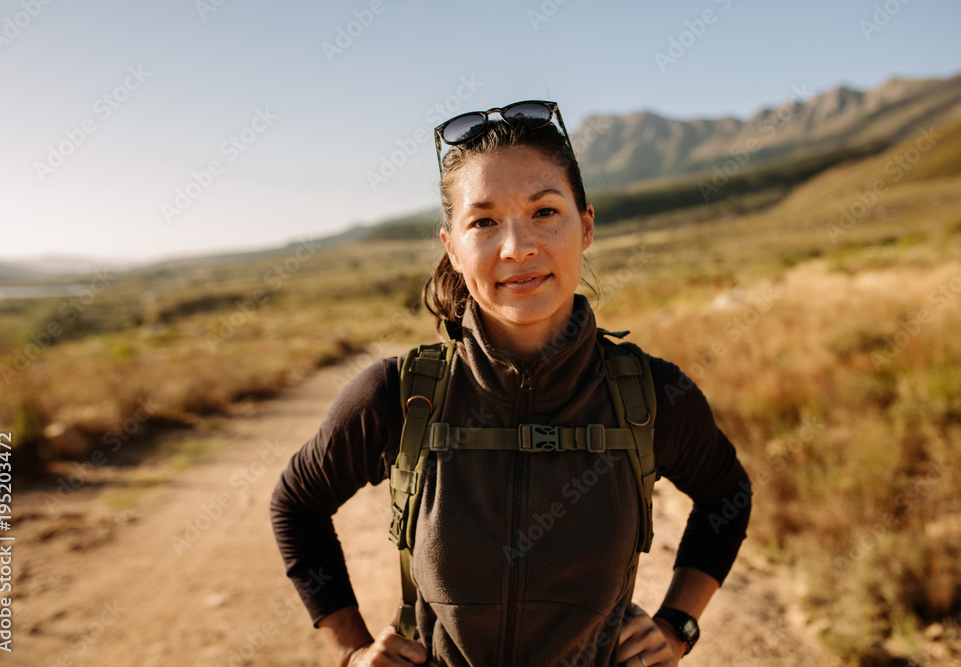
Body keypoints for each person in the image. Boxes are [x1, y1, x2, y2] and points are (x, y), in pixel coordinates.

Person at [270, 100, 752, 666]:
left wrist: (678, 625)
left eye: (545, 211)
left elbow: (728, 495)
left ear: (586, 225)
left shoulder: (650, 394)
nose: (517, 247)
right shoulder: (397, 396)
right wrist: (351, 652)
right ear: (452, 247)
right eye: (484, 221)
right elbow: (297, 505)